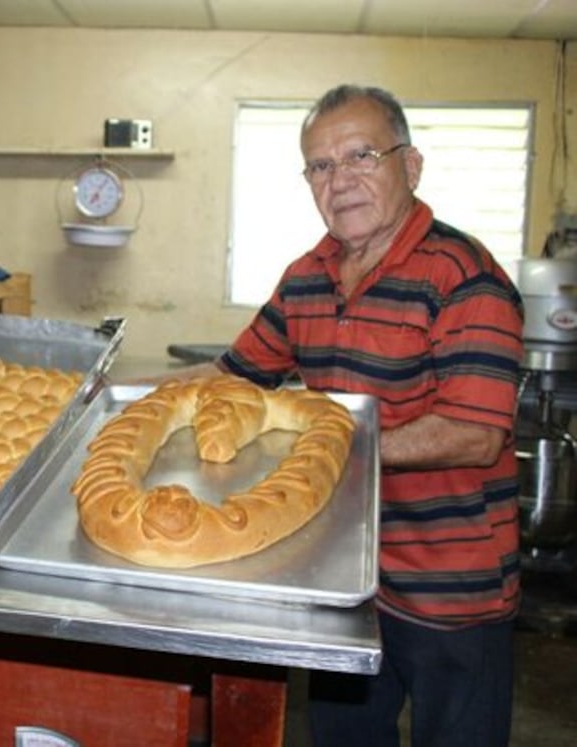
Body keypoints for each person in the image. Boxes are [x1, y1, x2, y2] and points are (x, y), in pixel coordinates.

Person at [176, 84, 523, 746]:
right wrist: (106, 393)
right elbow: (230, 377)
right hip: (343, 580)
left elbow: (476, 433)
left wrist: (326, 445)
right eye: (321, 165)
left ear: (411, 166)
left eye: (362, 155)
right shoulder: (306, 276)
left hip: (451, 586)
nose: (342, 180)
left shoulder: (466, 277)